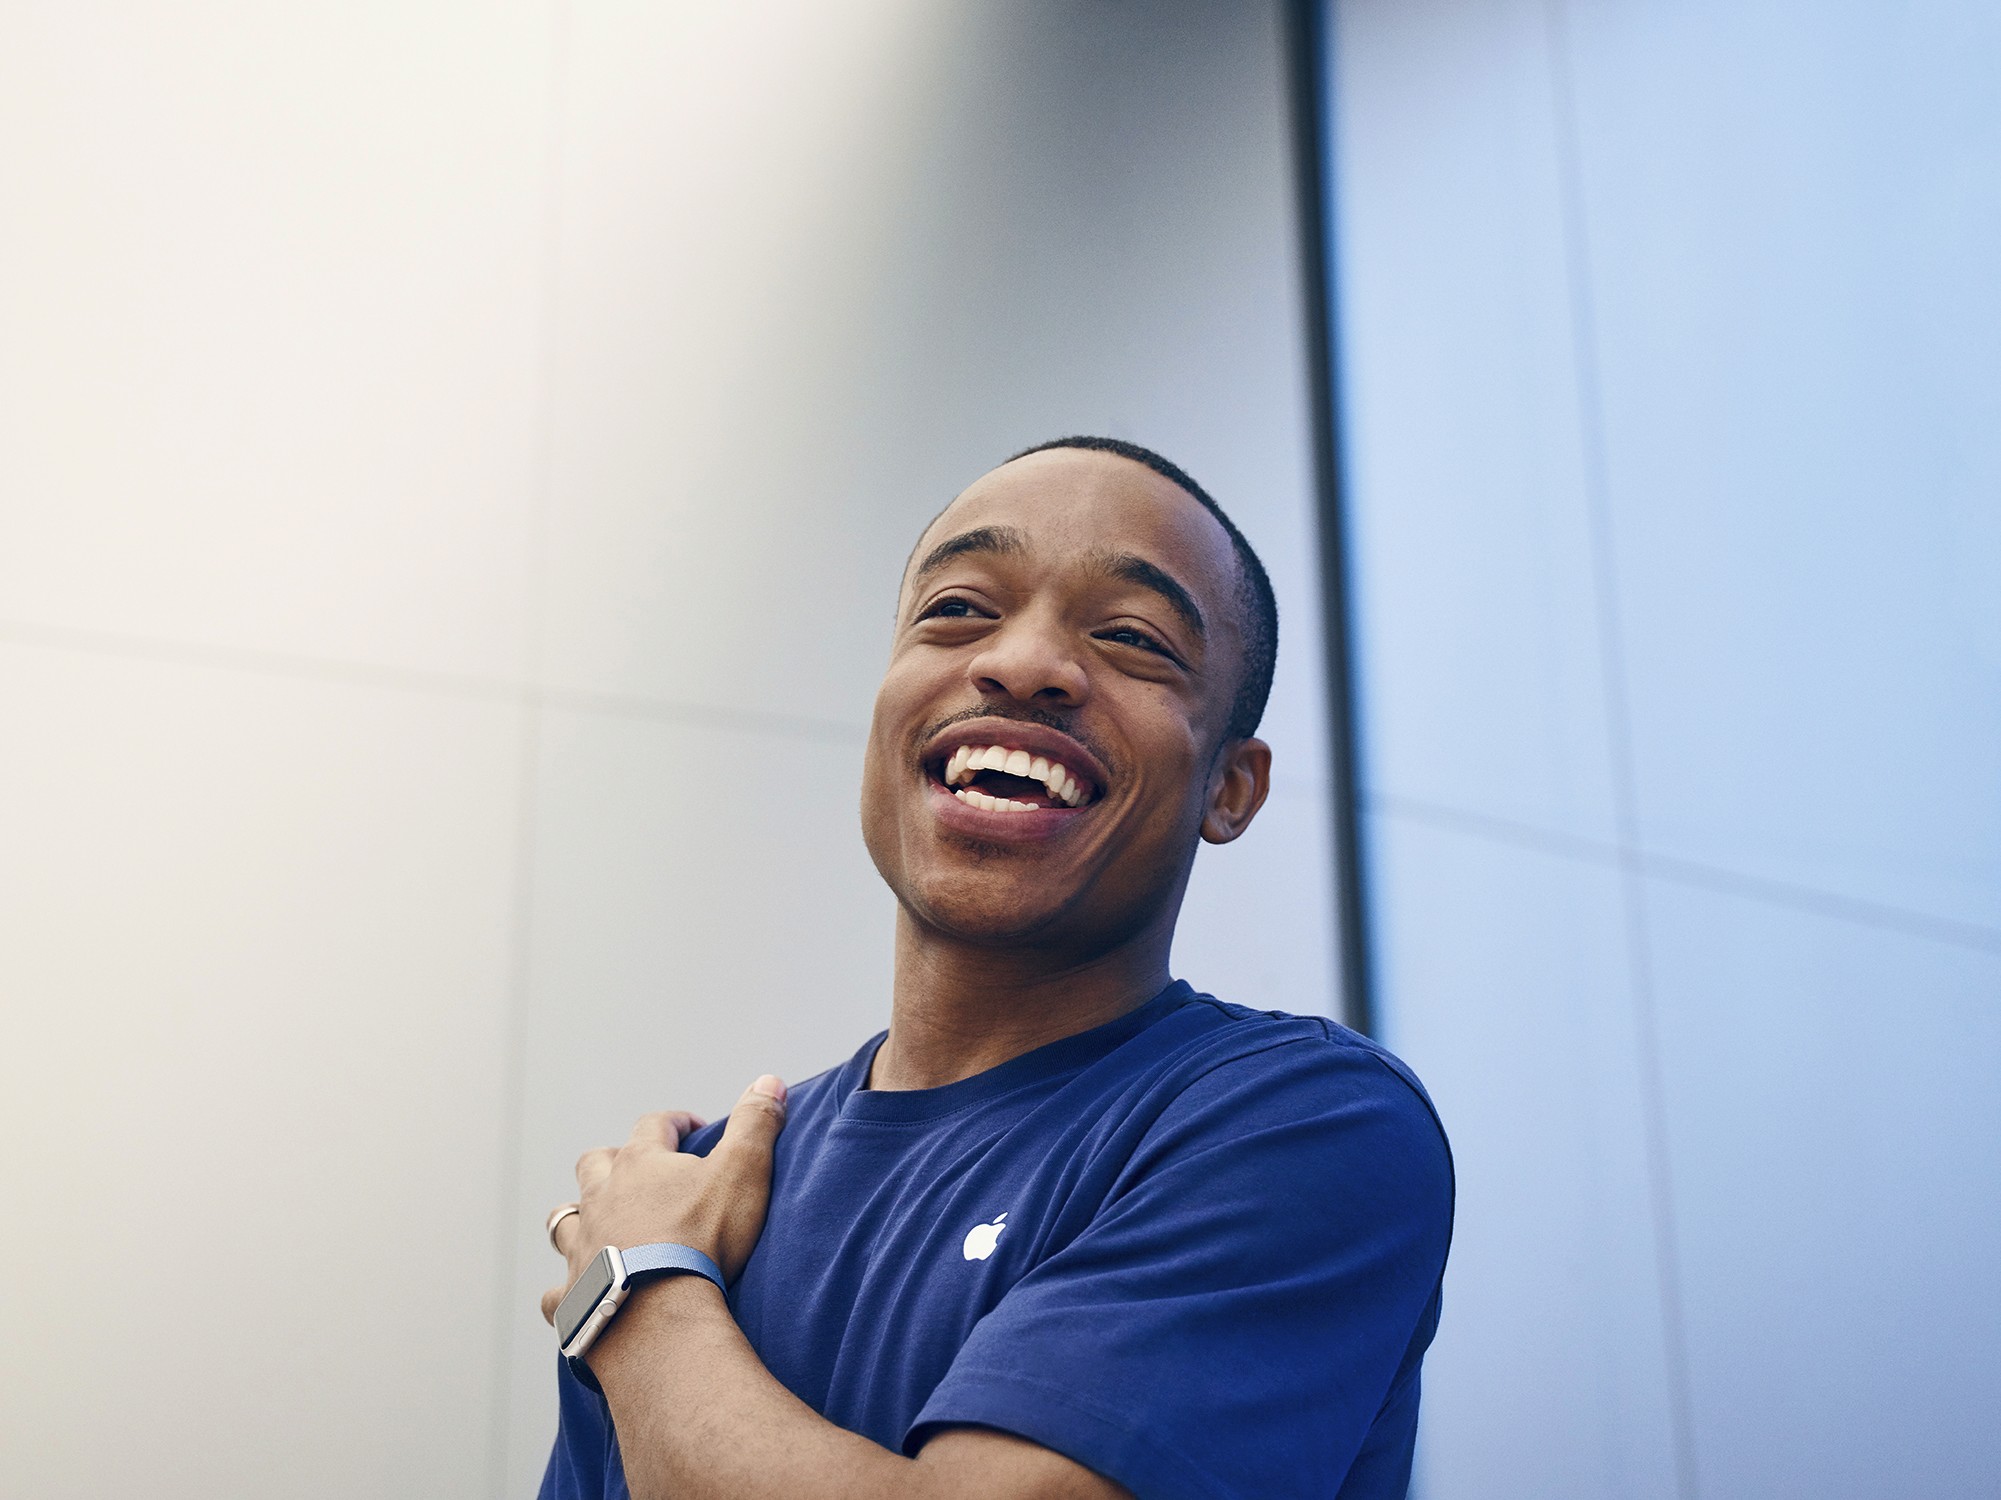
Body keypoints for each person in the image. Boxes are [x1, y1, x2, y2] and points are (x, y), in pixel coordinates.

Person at [536, 436, 1453, 1500]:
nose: (1021, 663)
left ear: (1229, 790)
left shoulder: (1303, 1124)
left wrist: (641, 1297)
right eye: (960, 610)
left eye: (1130, 635)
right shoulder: (696, 1195)